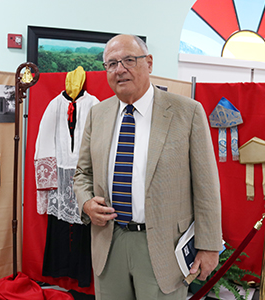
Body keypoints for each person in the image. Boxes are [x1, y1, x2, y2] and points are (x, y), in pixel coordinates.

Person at [73, 34, 222, 300]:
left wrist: (209, 247)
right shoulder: (98, 113)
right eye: (112, 63)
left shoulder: (187, 112)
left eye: (129, 60)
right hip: (109, 242)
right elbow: (83, 174)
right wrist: (86, 203)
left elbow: (207, 187)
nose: (120, 70)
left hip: (164, 247)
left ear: (149, 63)